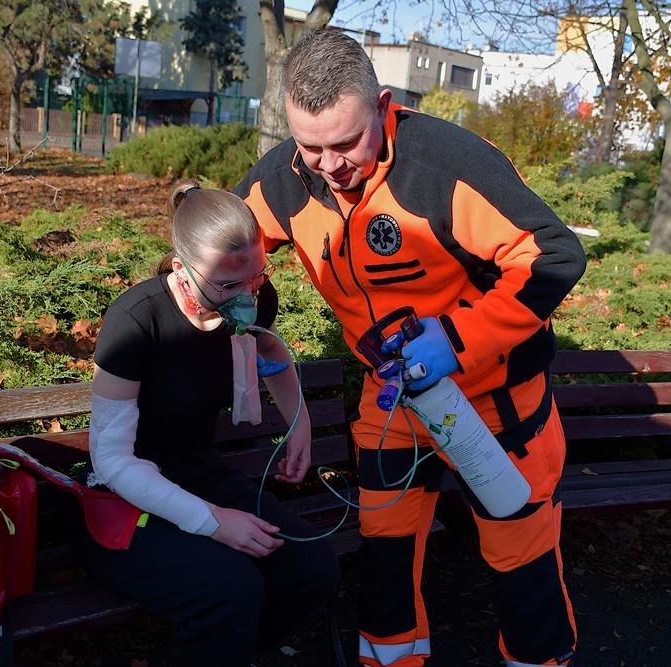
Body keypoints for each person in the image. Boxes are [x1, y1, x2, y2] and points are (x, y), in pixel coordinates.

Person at [235, 29, 586, 667]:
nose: (329, 166)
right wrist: (235, 313)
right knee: (386, 553)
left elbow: (555, 255)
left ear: (384, 105)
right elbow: (229, 252)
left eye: (346, 143)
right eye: (311, 147)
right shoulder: (285, 177)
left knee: (521, 558)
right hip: (392, 402)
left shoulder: (444, 164)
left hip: (493, 401)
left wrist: (457, 340)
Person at [76, 180, 341, 666]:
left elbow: (269, 346)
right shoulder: (136, 321)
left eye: (256, 278)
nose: (245, 296)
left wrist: (298, 423)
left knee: (312, 567)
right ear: (182, 269)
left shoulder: (253, 298)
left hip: (199, 472)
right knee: (231, 589)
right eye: (226, 285)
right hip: (121, 498)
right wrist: (212, 521)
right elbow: (112, 460)